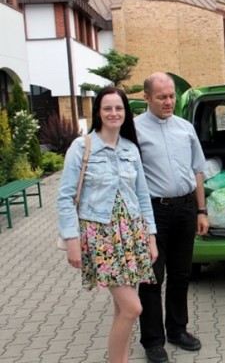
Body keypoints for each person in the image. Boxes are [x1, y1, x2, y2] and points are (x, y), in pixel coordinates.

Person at [57, 86, 158, 363]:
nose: (113, 113)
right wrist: (72, 242)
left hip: (131, 235)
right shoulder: (82, 147)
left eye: (118, 108)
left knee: (121, 310)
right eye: (107, 108)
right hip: (100, 237)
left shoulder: (130, 149)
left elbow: (142, 195)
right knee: (133, 308)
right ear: (98, 112)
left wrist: (151, 237)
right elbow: (65, 197)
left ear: (126, 112)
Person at [135, 72, 209, 363]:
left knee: (181, 274)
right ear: (147, 98)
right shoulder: (134, 130)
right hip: (152, 212)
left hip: (185, 210)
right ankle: (153, 342)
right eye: (161, 97)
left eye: (171, 96)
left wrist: (201, 211)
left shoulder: (185, 128)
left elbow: (197, 171)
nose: (168, 102)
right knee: (152, 278)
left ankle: (177, 330)